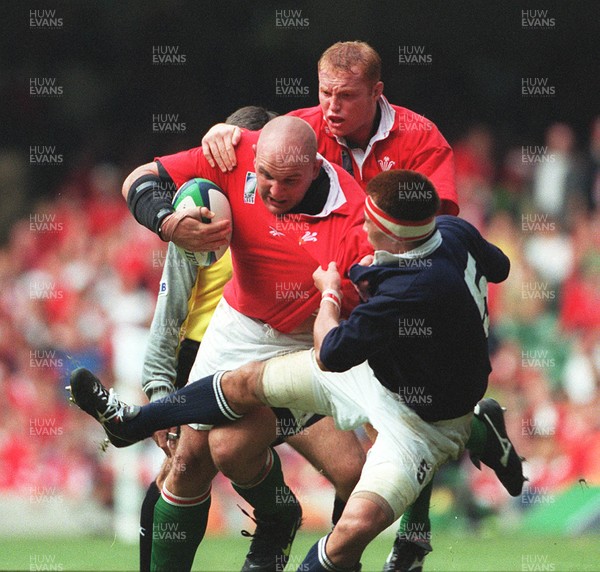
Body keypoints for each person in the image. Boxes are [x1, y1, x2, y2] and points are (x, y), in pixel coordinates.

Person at [69, 169, 513, 571]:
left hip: (417, 420)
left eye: (370, 220)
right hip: (382, 374)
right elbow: (500, 265)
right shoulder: (452, 230)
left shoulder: (408, 286)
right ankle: (134, 422)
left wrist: (329, 296)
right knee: (233, 403)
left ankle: (465, 446)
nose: (361, 224)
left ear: (393, 234)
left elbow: (331, 352)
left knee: (350, 529)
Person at [123, 115, 370, 572]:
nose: (273, 191)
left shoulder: (354, 222)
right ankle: (279, 514)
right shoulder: (225, 169)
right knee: (190, 461)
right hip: (235, 330)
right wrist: (168, 221)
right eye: (265, 176)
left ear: (316, 168)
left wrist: (334, 301)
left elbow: (365, 324)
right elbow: (139, 180)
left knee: (354, 474)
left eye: (289, 181)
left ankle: (322, 548)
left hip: (308, 342)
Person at [138, 106, 278, 572]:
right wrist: (160, 391)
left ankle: (282, 520)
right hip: (200, 361)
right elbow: (169, 310)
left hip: (270, 356)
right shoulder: (205, 212)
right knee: (180, 472)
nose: (259, 179)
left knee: (349, 469)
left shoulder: (294, 212)